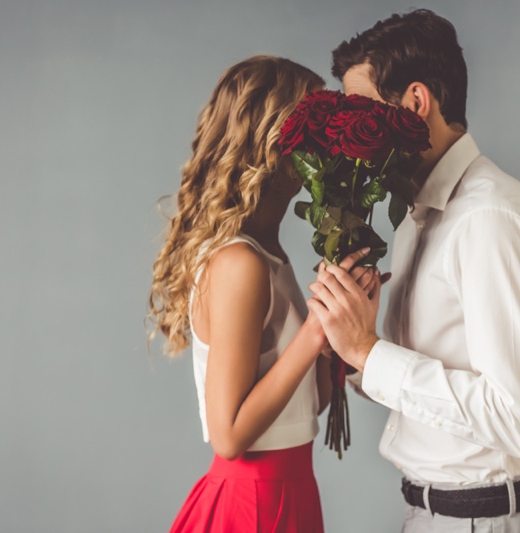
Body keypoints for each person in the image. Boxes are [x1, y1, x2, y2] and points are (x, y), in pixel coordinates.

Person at [307, 10, 520, 532]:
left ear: (416, 103)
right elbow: (439, 386)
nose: (348, 133)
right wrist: (354, 353)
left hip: (488, 522)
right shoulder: (418, 215)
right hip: (429, 515)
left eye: (360, 108)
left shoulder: (489, 218)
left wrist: (369, 352)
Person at [148, 55, 377, 533]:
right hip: (250, 503)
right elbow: (229, 437)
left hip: (291, 493)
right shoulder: (239, 263)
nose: (328, 145)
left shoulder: (268, 252)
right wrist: (314, 332)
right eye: (314, 131)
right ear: (274, 142)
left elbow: (303, 407)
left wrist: (342, 326)